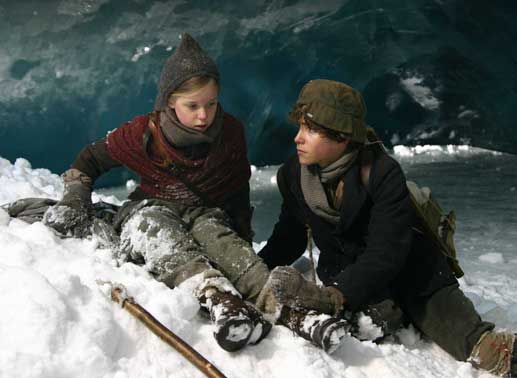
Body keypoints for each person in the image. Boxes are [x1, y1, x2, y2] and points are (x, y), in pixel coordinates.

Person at [255, 79, 516, 376]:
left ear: (341, 137)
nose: (297, 138)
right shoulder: (293, 174)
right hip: (350, 275)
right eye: (300, 127)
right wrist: (254, 270)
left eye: (311, 130)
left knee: (481, 348)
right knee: (375, 318)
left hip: (413, 271)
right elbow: (289, 234)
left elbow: (386, 252)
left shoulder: (381, 172)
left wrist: (335, 295)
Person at [40, 33, 273, 352]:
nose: (203, 115)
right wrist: (75, 196)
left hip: (206, 214)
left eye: (211, 103)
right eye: (192, 106)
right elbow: (90, 159)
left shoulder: (231, 132)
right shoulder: (144, 133)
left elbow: (236, 191)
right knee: (156, 230)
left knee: (221, 239)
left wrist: (242, 243)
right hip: (152, 209)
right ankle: (217, 297)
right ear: (170, 102)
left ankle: (291, 310)